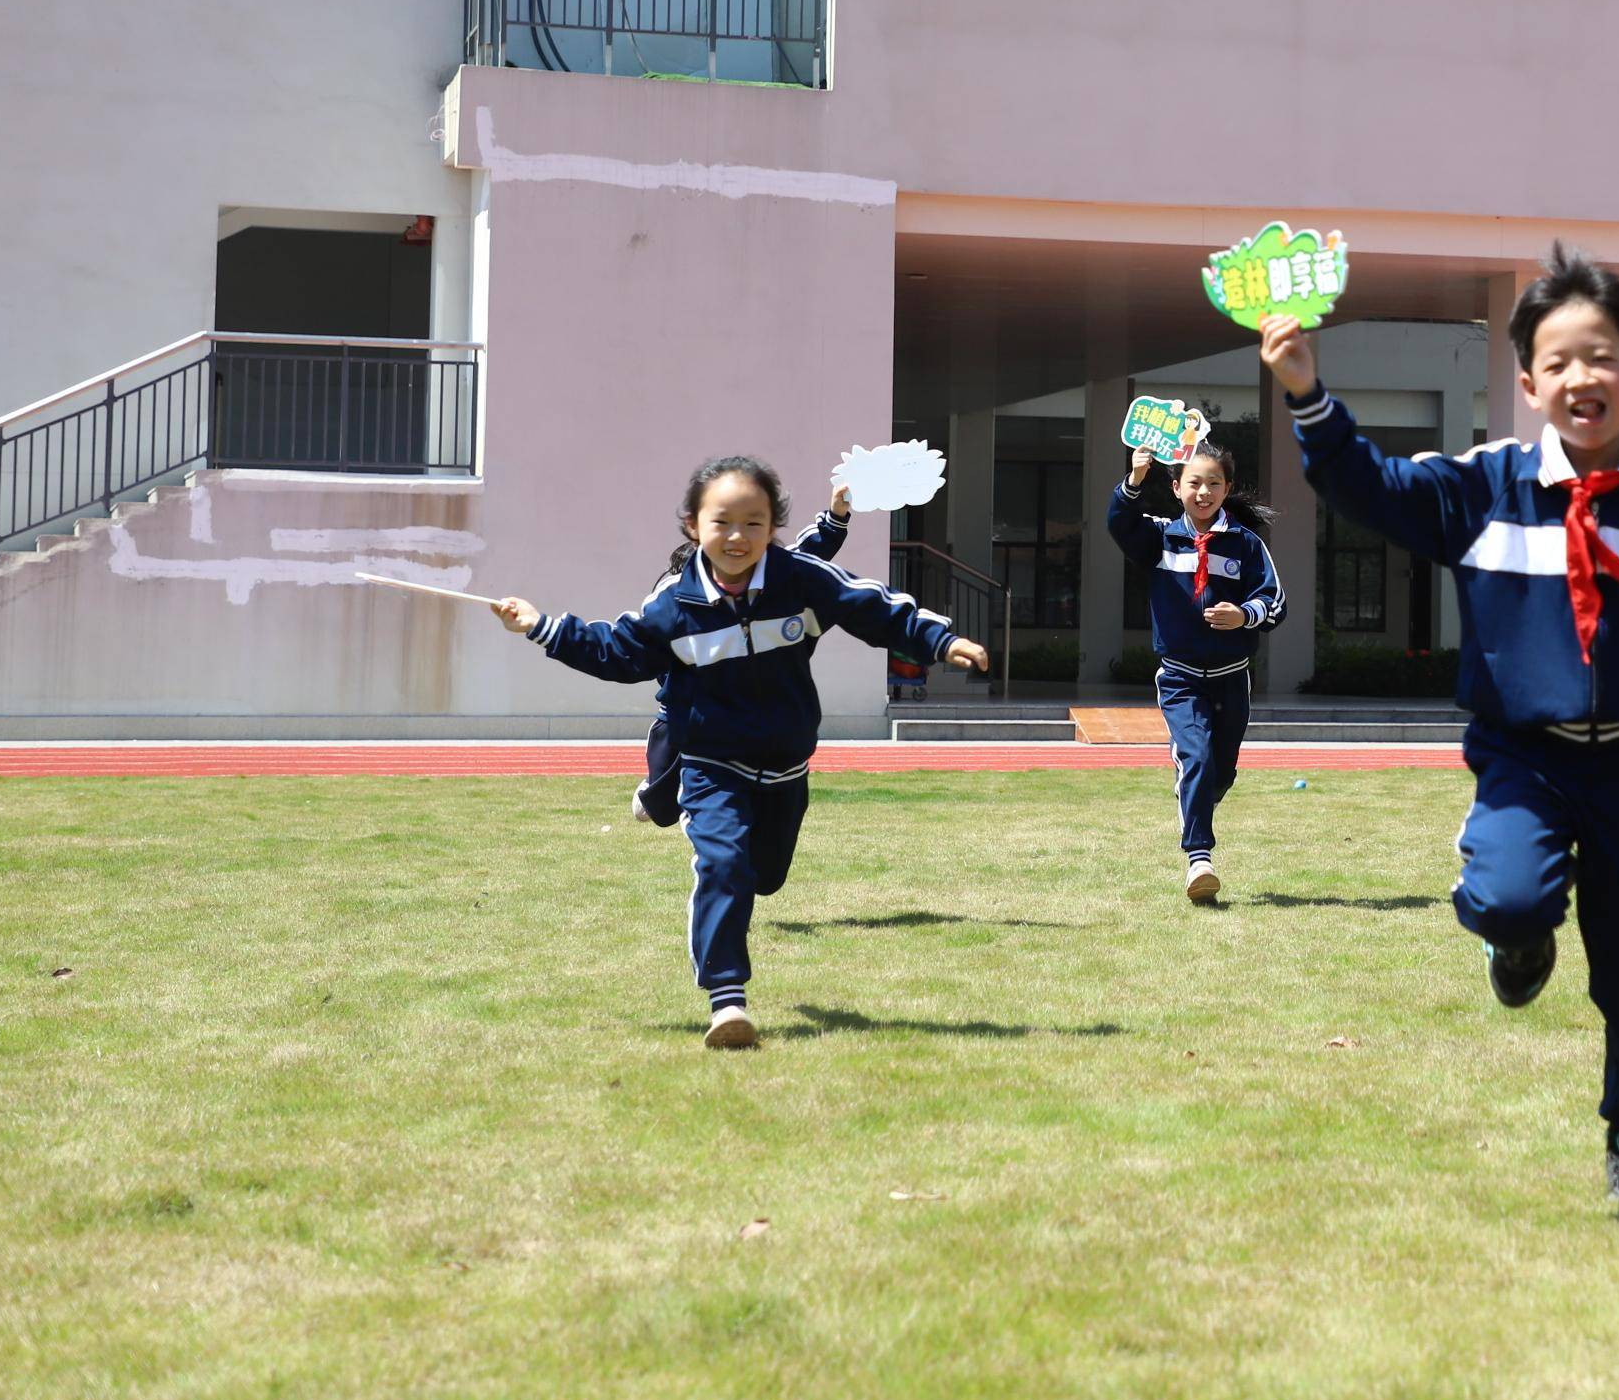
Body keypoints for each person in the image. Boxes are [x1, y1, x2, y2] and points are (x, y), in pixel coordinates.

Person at [1261, 247, 1619, 1205]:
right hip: (1523, 757)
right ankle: (1517, 940)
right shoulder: (1484, 486)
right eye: (1560, 363)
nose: (1584, 379)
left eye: (1604, 358)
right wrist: (1308, 395)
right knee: (1509, 897)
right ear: (1527, 383)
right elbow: (1373, 489)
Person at [493, 455, 989, 1049]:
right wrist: (541, 626)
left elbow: (872, 607)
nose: (737, 537)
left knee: (765, 876)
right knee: (723, 866)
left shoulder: (801, 580)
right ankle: (727, 1003)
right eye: (722, 522)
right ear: (693, 526)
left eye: (753, 523)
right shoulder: (672, 605)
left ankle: (676, 808)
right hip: (710, 762)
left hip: (784, 764)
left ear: (773, 527)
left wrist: (942, 639)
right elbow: (615, 650)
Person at [1105, 438, 1282, 903]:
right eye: (1194, 483)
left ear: (1227, 489)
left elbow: (1275, 602)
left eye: (1214, 484)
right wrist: (1133, 481)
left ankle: (1199, 797)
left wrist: (1243, 615)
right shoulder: (1161, 537)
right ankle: (1199, 860)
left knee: (1221, 770)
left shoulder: (1246, 545)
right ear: (1177, 487)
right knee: (1197, 757)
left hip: (1232, 676)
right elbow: (1118, 524)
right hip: (1180, 676)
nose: (1204, 492)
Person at [630, 485, 851, 829]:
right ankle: (659, 793)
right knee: (659, 812)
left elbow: (809, 555)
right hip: (686, 717)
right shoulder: (678, 601)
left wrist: (836, 517)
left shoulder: (768, 584)